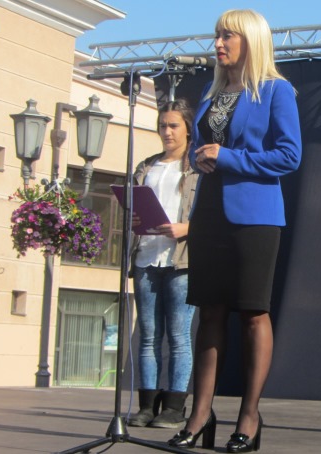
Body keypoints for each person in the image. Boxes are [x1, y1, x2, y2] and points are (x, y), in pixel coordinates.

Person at [167, 9, 301, 453]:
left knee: (252, 313)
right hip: (209, 214)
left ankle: (249, 416)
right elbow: (203, 150)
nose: (219, 44)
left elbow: (289, 156)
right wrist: (199, 158)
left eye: (228, 36)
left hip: (256, 217)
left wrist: (226, 158)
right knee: (209, 313)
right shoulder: (212, 94)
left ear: (251, 40)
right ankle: (200, 415)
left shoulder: (276, 91)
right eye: (217, 35)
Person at [127, 99, 198, 429]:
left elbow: (213, 215)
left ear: (188, 129)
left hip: (181, 261)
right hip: (146, 258)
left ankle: (174, 407)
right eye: (162, 126)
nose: (167, 132)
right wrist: (134, 218)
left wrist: (187, 228)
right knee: (148, 336)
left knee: (179, 337)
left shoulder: (198, 169)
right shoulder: (146, 166)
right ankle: (147, 406)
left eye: (173, 125)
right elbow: (135, 209)